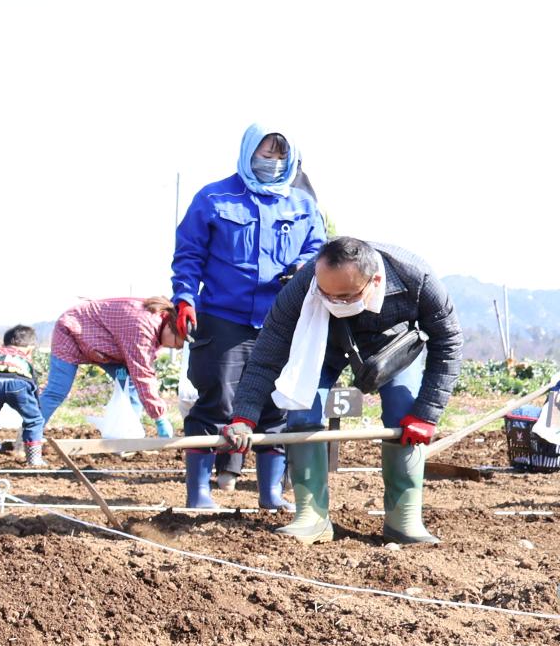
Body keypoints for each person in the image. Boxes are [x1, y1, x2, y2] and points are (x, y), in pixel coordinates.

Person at [225, 237, 462, 545]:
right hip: (322, 342)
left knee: (403, 411)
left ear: (375, 280)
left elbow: (449, 344)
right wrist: (244, 415)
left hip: (393, 347)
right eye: (327, 295)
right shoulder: (303, 285)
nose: (335, 302)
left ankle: (404, 520)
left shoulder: (417, 278)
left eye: (346, 296)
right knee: (301, 411)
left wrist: (427, 413)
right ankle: (311, 517)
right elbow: (267, 354)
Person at [171, 125, 327, 510]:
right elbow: (188, 255)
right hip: (223, 317)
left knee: (275, 407)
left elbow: (317, 250)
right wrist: (184, 299)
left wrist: (301, 268)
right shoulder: (213, 198)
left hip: (280, 320)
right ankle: (200, 493)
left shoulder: (302, 206)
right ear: (246, 153)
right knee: (216, 402)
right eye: (264, 154)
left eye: (279, 156)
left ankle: (271, 494)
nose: (271, 163)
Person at [38, 296, 186, 439]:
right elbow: (142, 374)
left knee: (130, 385)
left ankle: (126, 436)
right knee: (57, 390)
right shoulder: (143, 326)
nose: (171, 347)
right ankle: (29, 437)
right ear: (171, 327)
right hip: (73, 328)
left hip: (103, 343)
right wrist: (159, 417)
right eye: (176, 344)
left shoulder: (158, 325)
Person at [0, 325, 45, 469]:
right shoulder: (25, 358)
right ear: (30, 348)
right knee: (34, 420)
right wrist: (37, 404)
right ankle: (34, 459)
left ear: (4, 344)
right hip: (19, 383)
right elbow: (34, 382)